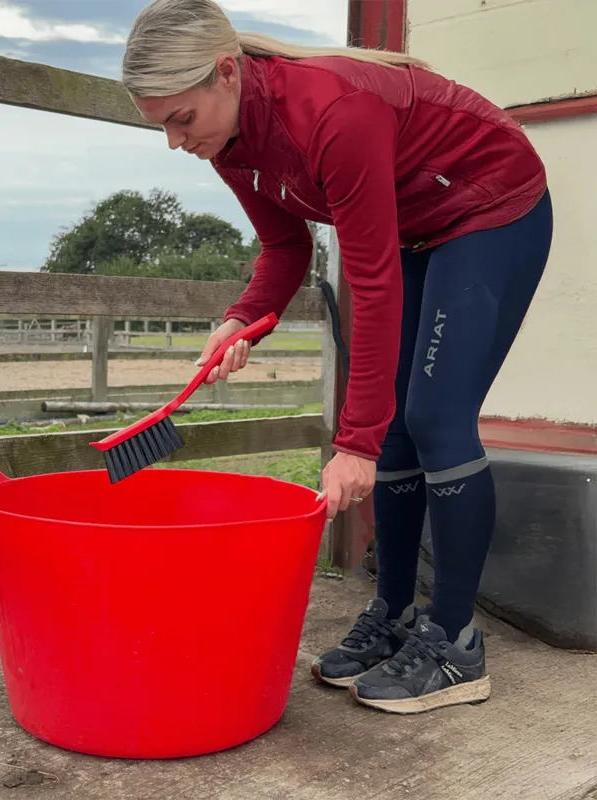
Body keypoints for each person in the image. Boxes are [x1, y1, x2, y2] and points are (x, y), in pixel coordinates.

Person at [122, 0, 553, 714]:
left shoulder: (332, 113)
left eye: (181, 118)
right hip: (420, 226)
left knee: (434, 416)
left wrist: (354, 444)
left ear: (226, 74)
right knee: (398, 427)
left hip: (489, 205)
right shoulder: (231, 144)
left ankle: (455, 644)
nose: (174, 141)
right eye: (160, 124)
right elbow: (287, 247)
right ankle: (393, 614)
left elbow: (372, 281)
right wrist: (240, 321)